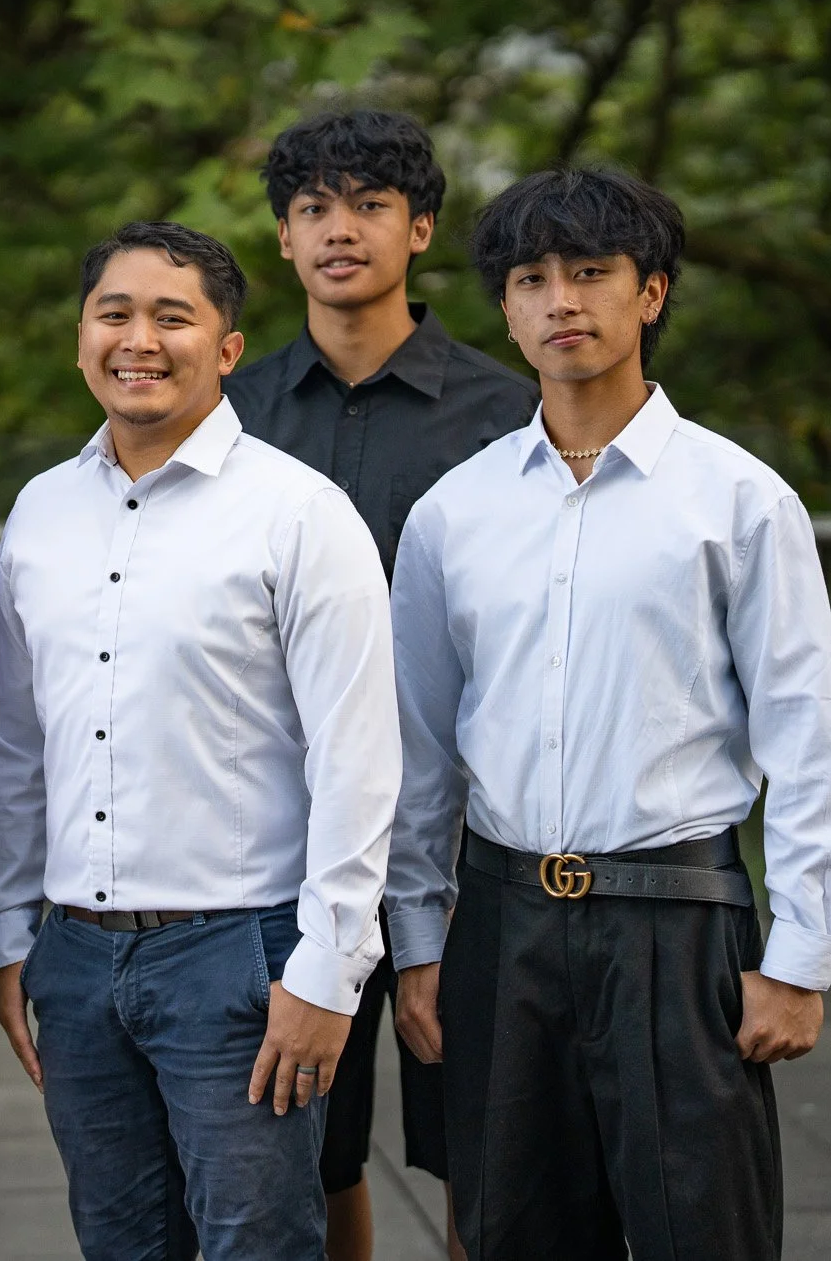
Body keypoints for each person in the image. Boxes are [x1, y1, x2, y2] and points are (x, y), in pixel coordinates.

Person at [387, 168, 831, 1261]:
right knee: (509, 1235)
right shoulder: (454, 512)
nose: (561, 301)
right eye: (530, 279)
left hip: (674, 922)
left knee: (703, 1233)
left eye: (590, 273)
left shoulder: (737, 501)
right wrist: (418, 940)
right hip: (500, 925)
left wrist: (797, 958)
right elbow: (418, 751)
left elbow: (804, 735)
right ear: (502, 308)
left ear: (648, 294)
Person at [0, 221, 402, 1261]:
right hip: (73, 957)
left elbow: (357, 758)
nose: (138, 339)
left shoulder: (299, 514)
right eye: (113, 313)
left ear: (224, 349)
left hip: (239, 958)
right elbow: (18, 744)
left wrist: (328, 970)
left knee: (255, 1245)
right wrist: (9, 935)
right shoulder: (39, 512)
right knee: (117, 1244)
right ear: (80, 338)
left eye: (173, 317)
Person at [223, 109, 536, 1261]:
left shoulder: (505, 413)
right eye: (311, 208)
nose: (336, 230)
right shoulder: (229, 413)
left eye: (365, 206)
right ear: (283, 236)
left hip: (467, 836)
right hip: (283, 833)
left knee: (480, 1140)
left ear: (420, 229)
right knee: (309, 1137)